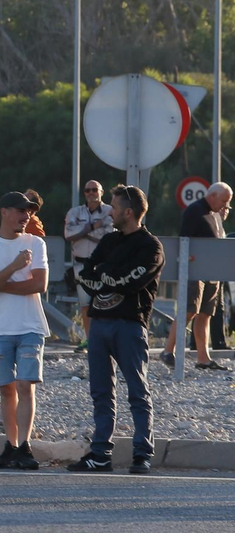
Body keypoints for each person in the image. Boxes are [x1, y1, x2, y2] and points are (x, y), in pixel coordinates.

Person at [70, 185, 162, 475]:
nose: (109, 210)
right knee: (100, 391)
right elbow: (86, 275)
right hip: (99, 324)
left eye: (114, 206)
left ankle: (142, 453)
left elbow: (133, 281)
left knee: (137, 390)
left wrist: (107, 277)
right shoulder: (109, 240)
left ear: (129, 212)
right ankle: (100, 454)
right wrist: (108, 278)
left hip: (130, 326)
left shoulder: (150, 246)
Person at [0, 191, 49, 471]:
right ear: (4, 212)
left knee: (25, 385)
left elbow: (38, 285)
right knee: (6, 390)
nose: (25, 215)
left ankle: (25, 445)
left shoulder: (36, 243)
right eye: (20, 210)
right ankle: (11, 445)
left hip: (30, 325)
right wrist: (15, 267)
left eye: (28, 211)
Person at [165, 181, 232, 371]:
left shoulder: (215, 214)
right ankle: (168, 350)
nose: (225, 206)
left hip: (212, 271)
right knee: (189, 310)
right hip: (195, 270)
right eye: (224, 201)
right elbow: (183, 238)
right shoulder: (194, 211)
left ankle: (203, 358)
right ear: (212, 196)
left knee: (205, 315)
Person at [64, 180, 112, 349]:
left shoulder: (110, 211)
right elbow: (69, 234)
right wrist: (93, 227)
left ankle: (105, 339)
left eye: (94, 190)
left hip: (103, 264)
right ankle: (89, 339)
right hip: (81, 265)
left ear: (101, 192)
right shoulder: (75, 212)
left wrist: (83, 231)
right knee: (85, 304)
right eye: (87, 190)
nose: (91, 193)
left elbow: (110, 237)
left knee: (104, 302)